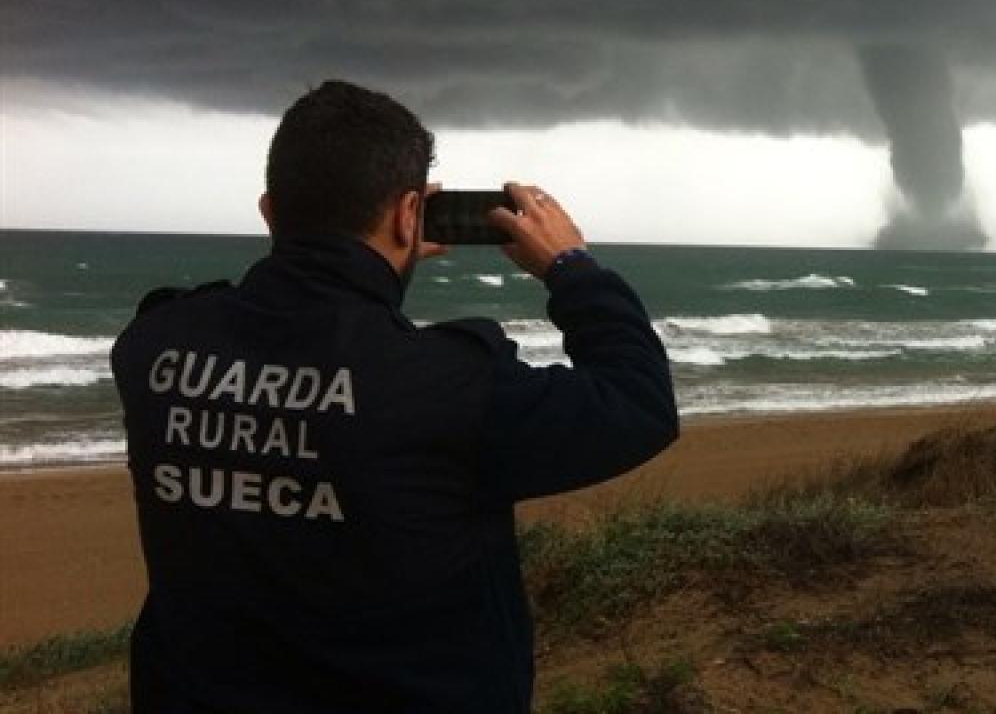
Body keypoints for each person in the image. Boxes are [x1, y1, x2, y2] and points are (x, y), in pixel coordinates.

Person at [111, 80, 678, 713]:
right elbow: (639, 403)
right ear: (412, 215)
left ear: (269, 213)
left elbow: (308, 346)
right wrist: (570, 266)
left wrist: (382, 257)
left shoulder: (152, 347)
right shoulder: (450, 385)